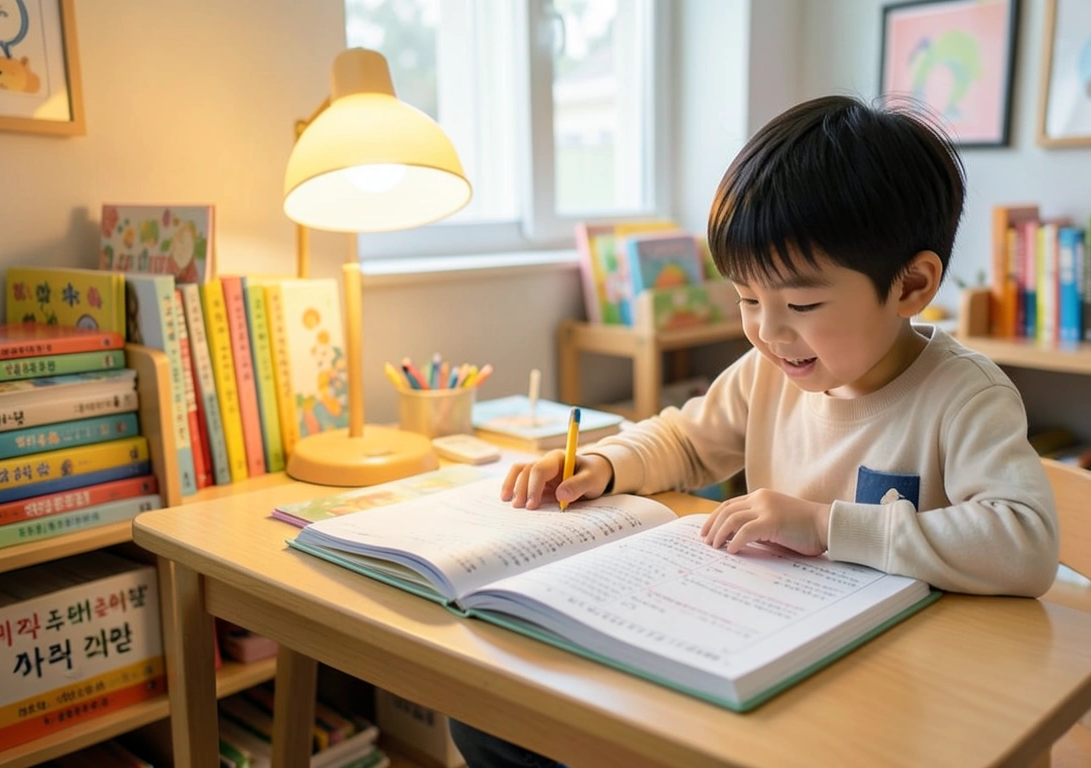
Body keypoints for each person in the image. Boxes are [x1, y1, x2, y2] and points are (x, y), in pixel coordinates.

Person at [449, 94, 1059, 768]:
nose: (769, 333)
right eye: (747, 299)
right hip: (764, 661)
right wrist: (607, 464)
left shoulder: (963, 396)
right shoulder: (768, 372)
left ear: (912, 285)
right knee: (490, 719)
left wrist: (826, 525)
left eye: (800, 303)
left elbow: (1026, 544)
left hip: (906, 696)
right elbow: (686, 440)